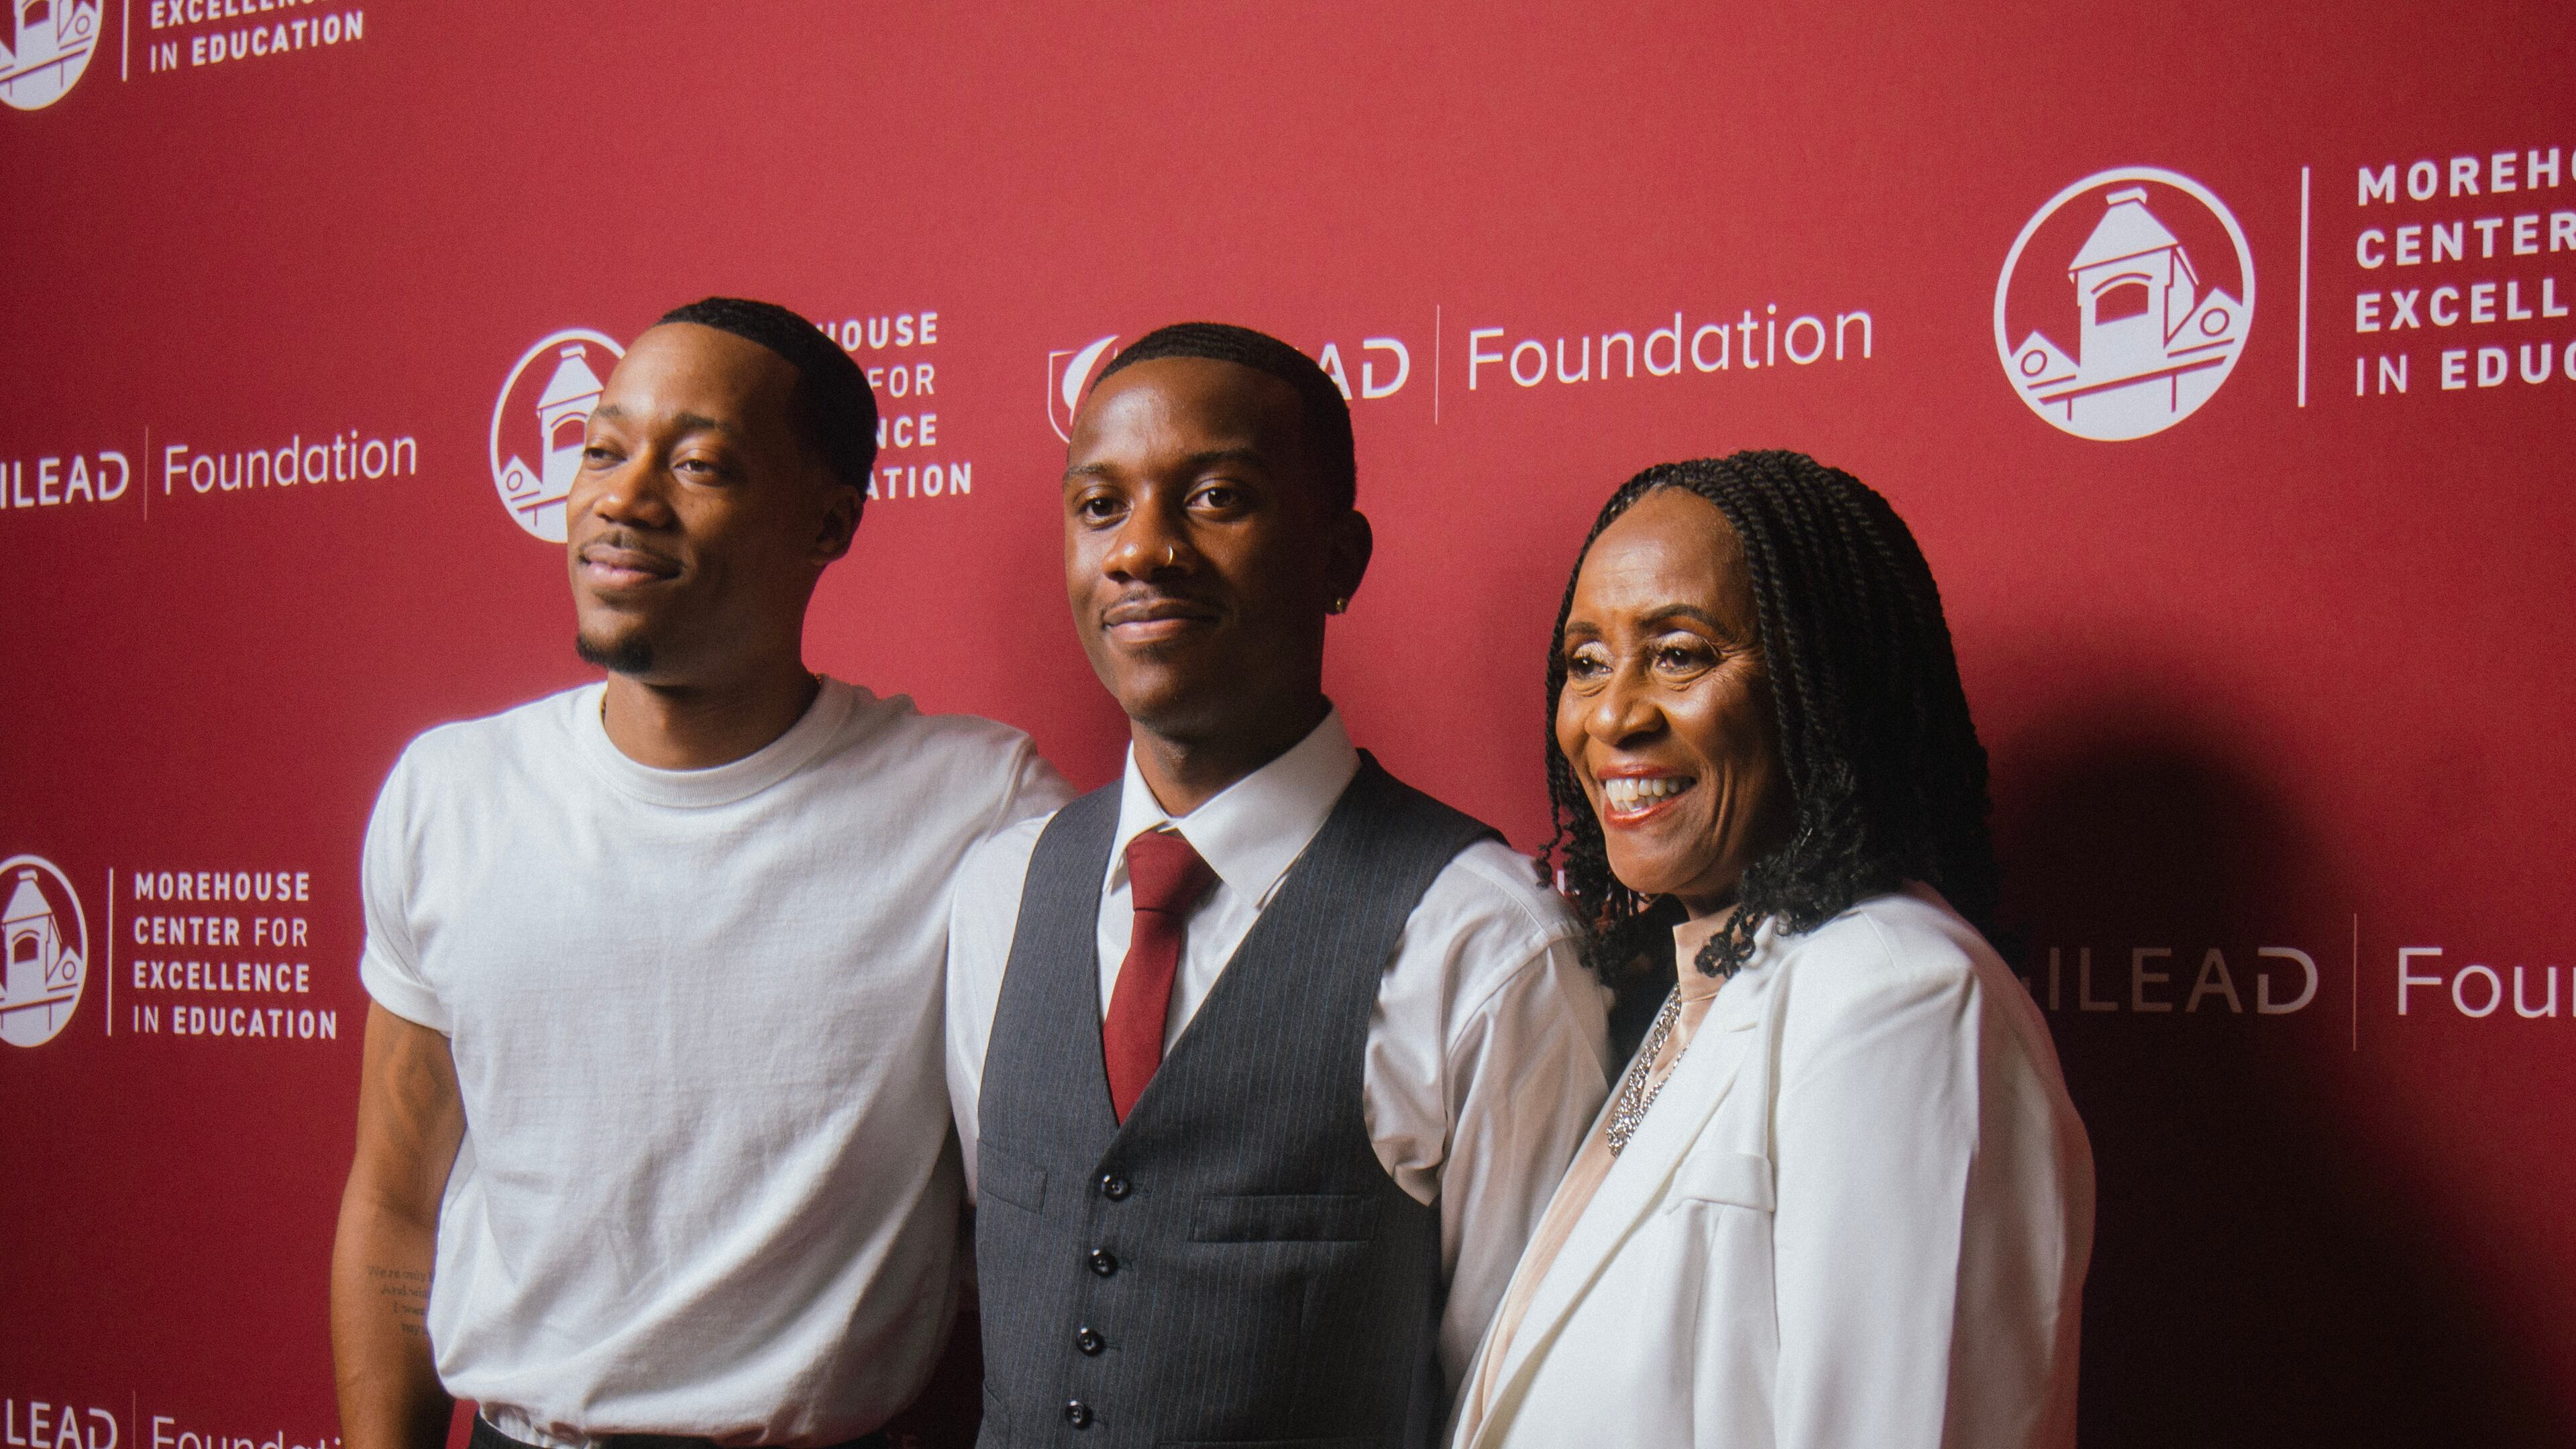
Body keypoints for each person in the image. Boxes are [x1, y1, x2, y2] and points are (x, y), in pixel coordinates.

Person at [329, 298, 1068, 1449]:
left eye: (699, 464)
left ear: (829, 522)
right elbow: (393, 1198)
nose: (622, 498)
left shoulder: (976, 804)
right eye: (602, 450)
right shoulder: (451, 792)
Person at [945, 323, 1611, 1448]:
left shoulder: (1482, 941)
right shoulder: (998, 894)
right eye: (1099, 506)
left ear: (1338, 559)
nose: (1141, 550)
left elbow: (1523, 1399)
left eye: (1215, 497)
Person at [1454, 452, 2094, 1449]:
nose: (1614, 714)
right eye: (1586, 662)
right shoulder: (1715, 973)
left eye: (1678, 653)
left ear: (1820, 684)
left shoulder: (1900, 996)